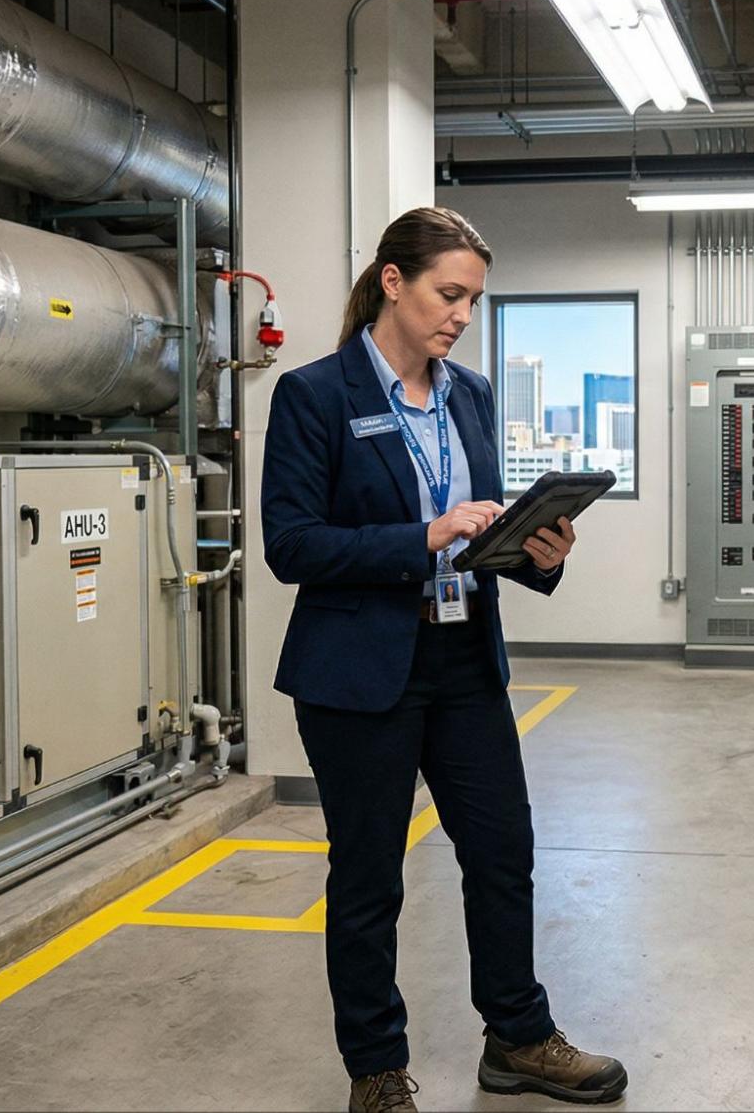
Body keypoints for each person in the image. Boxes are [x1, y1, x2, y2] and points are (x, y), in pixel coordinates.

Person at [262, 208, 627, 1113]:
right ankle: (376, 1068)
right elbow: (292, 545)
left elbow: (482, 528)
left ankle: (517, 1036)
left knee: (503, 850)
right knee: (368, 877)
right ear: (394, 281)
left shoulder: (466, 393)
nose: (460, 314)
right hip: (360, 672)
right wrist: (422, 533)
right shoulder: (315, 395)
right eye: (447, 292)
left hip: (464, 656)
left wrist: (534, 548)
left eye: (472, 298)